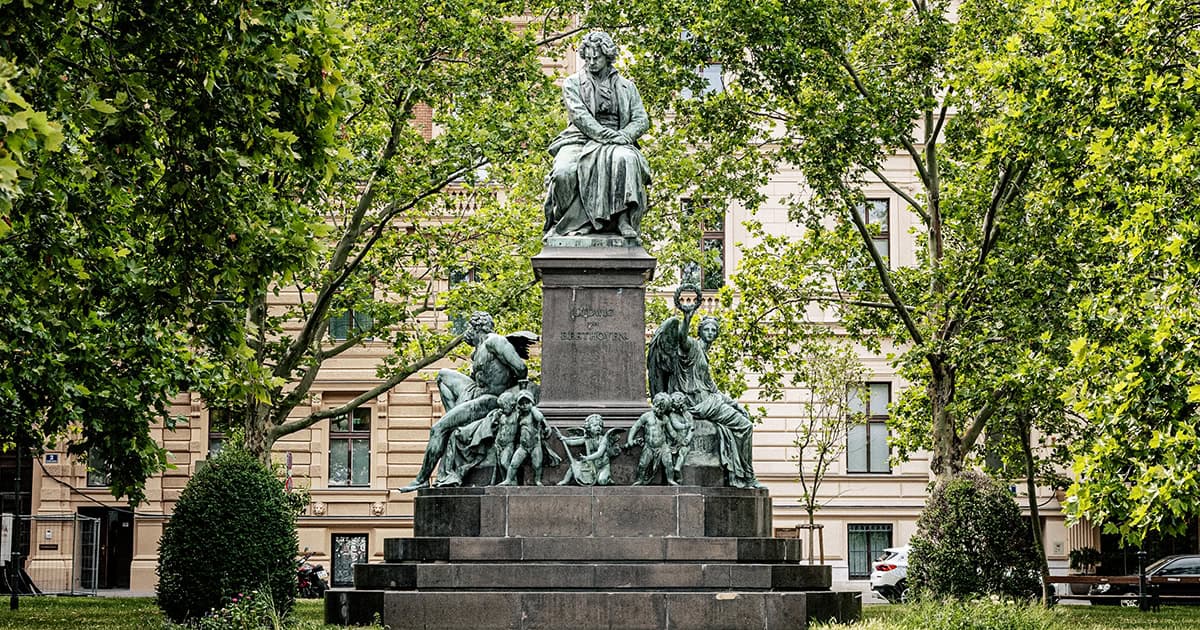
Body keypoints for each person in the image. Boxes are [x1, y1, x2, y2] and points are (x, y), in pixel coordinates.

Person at [398, 312, 536, 491]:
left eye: (469, 328)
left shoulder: (495, 341)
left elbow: (521, 368)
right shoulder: (477, 351)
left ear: (476, 327)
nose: (467, 333)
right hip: (476, 393)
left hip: (491, 399)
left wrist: (511, 395)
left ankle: (422, 479)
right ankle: (455, 419)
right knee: (443, 375)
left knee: (438, 429)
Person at [543, 30, 651, 240]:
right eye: (588, 57)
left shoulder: (627, 87)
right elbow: (580, 116)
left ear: (607, 57)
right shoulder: (572, 83)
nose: (591, 62)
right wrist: (604, 135)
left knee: (626, 159)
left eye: (597, 58)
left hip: (618, 139)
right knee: (564, 172)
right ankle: (565, 224)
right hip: (580, 138)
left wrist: (625, 135)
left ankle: (622, 220)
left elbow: (641, 120)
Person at [647, 296, 764, 489]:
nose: (710, 332)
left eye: (713, 330)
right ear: (700, 331)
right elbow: (682, 338)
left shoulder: (704, 354)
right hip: (697, 402)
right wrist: (687, 317)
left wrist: (734, 404)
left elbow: (713, 389)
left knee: (743, 423)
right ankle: (747, 477)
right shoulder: (692, 346)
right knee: (744, 427)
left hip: (709, 398)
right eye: (707, 329)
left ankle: (743, 475)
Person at [627, 393, 676, 486]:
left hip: (662, 446)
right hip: (649, 446)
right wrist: (630, 439)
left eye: (664, 410)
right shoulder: (646, 416)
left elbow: (671, 431)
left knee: (669, 463)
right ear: (655, 404)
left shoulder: (665, 418)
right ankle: (640, 479)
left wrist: (676, 436)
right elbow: (635, 427)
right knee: (642, 464)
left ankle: (670, 479)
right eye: (660, 408)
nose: (661, 411)